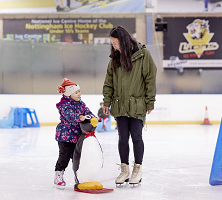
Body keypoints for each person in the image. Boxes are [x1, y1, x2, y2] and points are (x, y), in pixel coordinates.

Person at [102, 26, 157, 185]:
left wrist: (150, 101)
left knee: (137, 137)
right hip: (119, 104)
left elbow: (150, 79)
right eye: (112, 44)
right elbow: (108, 82)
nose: (114, 46)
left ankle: (137, 169)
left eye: (116, 43)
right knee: (122, 138)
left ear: (124, 41)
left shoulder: (143, 55)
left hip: (137, 104)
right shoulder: (115, 58)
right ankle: (124, 170)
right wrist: (107, 101)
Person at [54, 78, 96, 189]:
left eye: (79, 91)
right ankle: (58, 175)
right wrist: (79, 117)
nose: (79, 94)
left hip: (78, 136)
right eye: (76, 92)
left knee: (78, 158)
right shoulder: (63, 105)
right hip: (65, 137)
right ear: (69, 94)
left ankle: (78, 176)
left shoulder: (81, 104)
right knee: (64, 157)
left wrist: (94, 118)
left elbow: (88, 112)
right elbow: (69, 115)